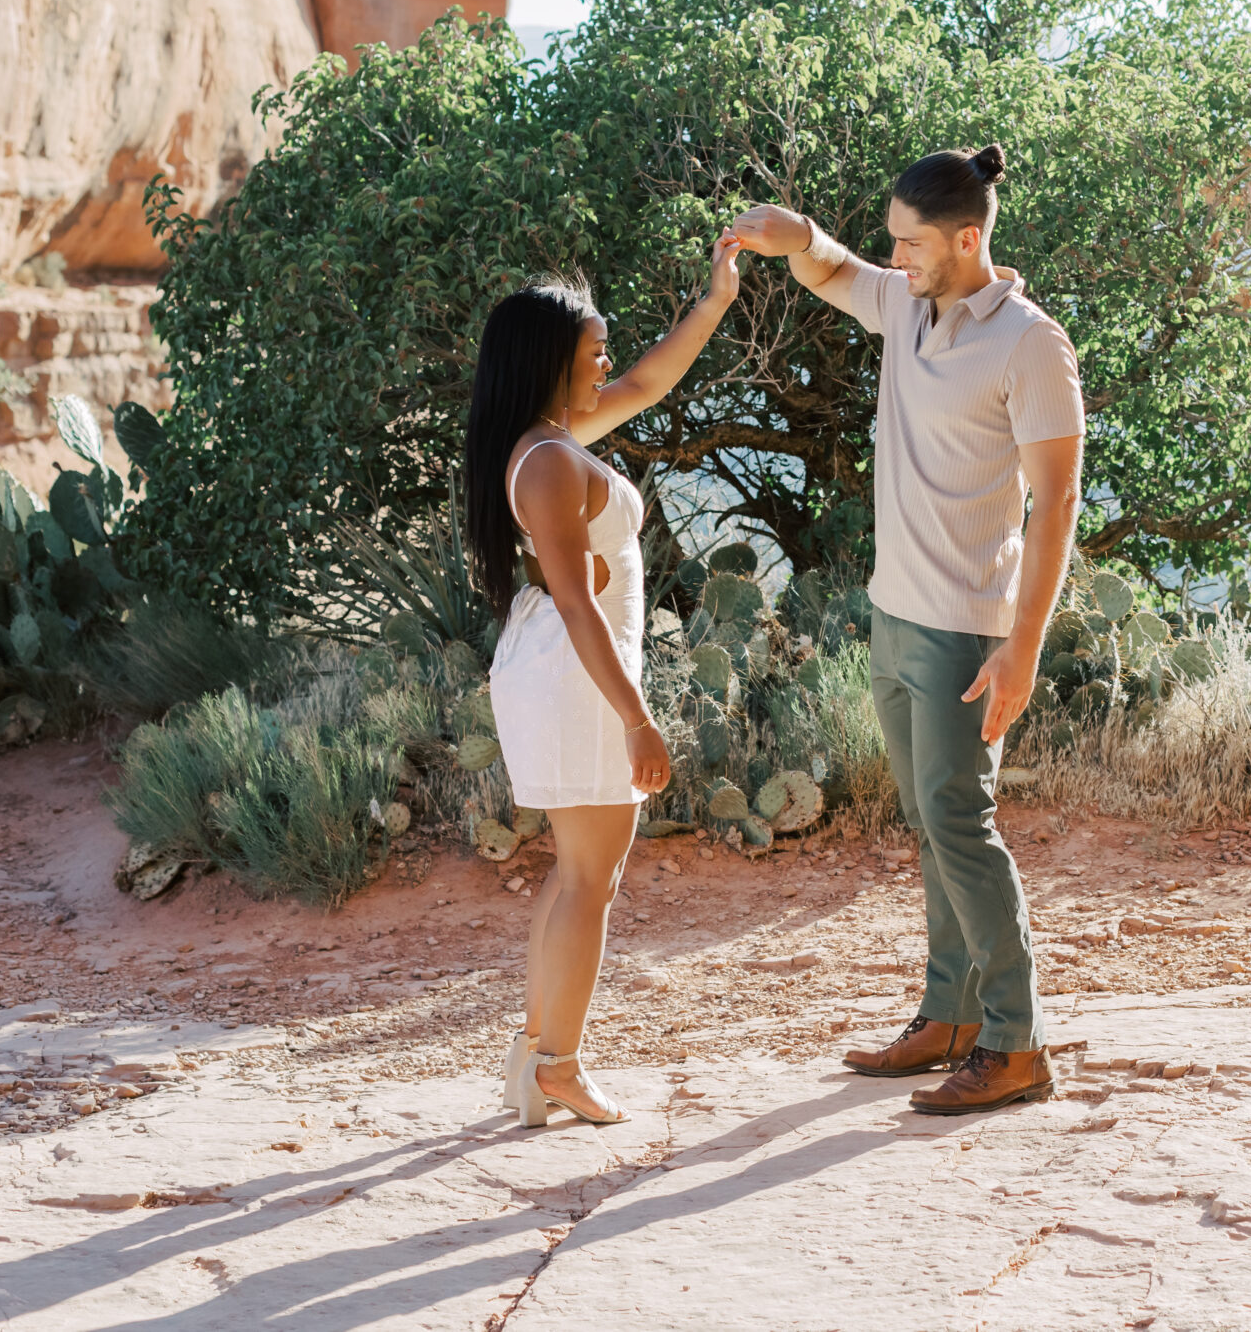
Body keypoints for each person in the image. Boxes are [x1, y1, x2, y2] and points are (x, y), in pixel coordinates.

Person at [729, 143, 1084, 1115]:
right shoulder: (907, 305)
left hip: (968, 632)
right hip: (896, 618)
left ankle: (1016, 1044)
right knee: (931, 826)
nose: (899, 259)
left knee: (961, 827)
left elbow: (1055, 504)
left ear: (969, 241)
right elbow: (834, 268)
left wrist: (1023, 642)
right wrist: (791, 237)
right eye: (894, 242)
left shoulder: (1028, 344)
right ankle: (950, 1016)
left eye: (915, 244)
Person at [462, 241, 743, 1127]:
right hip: (578, 677)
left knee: (577, 872)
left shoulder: (551, 439)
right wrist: (639, 717)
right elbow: (582, 606)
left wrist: (715, 299)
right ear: (553, 360)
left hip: (562, 671)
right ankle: (557, 1065)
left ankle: (535, 1054)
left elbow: (651, 383)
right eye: (593, 351)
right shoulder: (545, 461)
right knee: (592, 878)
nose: (607, 363)